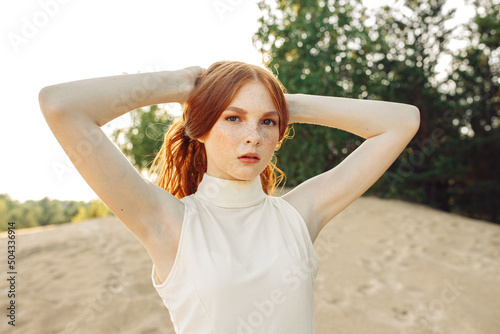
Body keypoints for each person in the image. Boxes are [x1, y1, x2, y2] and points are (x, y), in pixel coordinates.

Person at [38, 60, 420, 333]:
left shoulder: (297, 216)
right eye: (233, 117)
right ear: (201, 127)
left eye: (267, 122)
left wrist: (288, 105)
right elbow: (61, 105)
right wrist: (179, 84)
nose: (253, 135)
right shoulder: (170, 223)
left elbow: (402, 122)